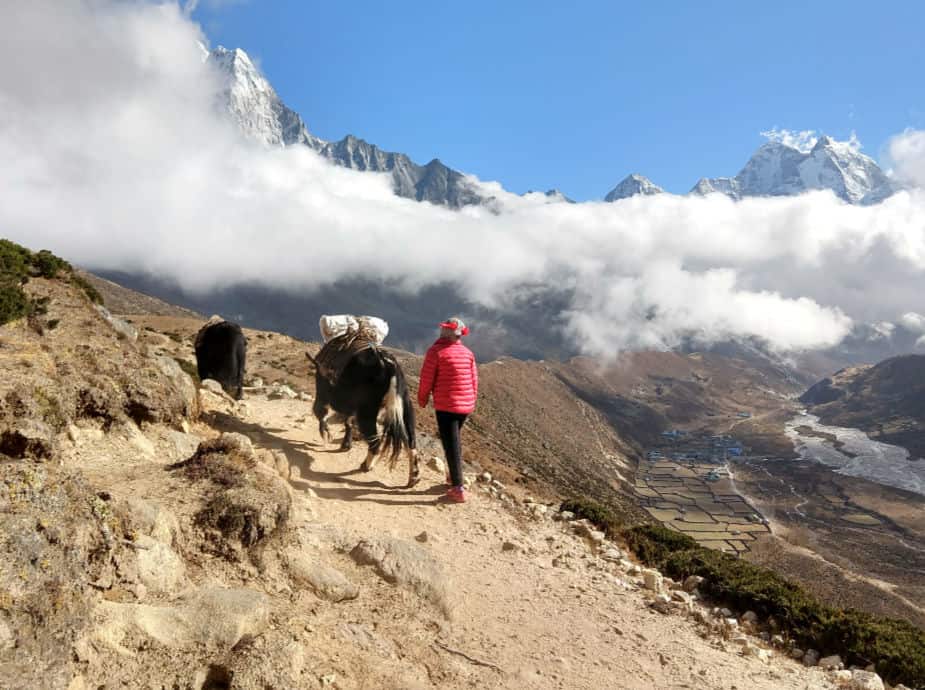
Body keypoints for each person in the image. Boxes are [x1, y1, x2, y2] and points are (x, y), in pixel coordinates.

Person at [418, 317, 478, 503]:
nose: (442, 332)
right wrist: (471, 401)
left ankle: (458, 488)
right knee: (454, 440)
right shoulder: (468, 353)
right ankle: (453, 477)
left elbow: (427, 378)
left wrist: (422, 398)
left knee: (450, 444)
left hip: (446, 406)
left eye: (445, 330)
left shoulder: (436, 352)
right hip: (465, 406)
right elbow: (474, 380)